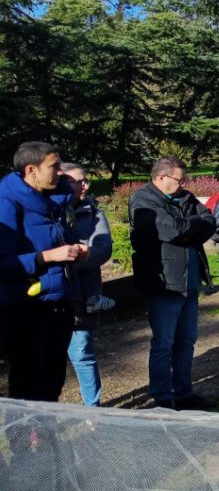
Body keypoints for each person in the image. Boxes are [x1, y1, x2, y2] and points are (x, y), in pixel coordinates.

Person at [0, 142, 86, 402]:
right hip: (25, 308)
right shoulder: (7, 204)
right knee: (27, 383)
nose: (61, 172)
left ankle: (47, 438)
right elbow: (3, 263)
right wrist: (47, 257)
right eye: (54, 166)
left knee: (53, 379)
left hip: (59, 302)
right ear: (31, 170)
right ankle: (23, 441)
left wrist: (75, 250)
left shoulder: (56, 201)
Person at [129, 156, 215, 410]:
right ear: (161, 178)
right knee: (163, 344)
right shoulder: (144, 201)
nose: (184, 183)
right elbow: (171, 230)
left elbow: (209, 221)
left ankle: (184, 392)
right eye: (180, 179)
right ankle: (163, 398)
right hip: (165, 284)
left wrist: (189, 227)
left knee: (187, 340)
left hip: (189, 281)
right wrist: (190, 227)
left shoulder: (185, 197)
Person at [62, 163, 114, 406]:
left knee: (82, 352)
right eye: (78, 181)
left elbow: (102, 250)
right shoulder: (47, 211)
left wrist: (69, 259)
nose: (85, 185)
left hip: (82, 295)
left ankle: (93, 409)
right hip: (51, 295)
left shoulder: (93, 212)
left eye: (86, 180)